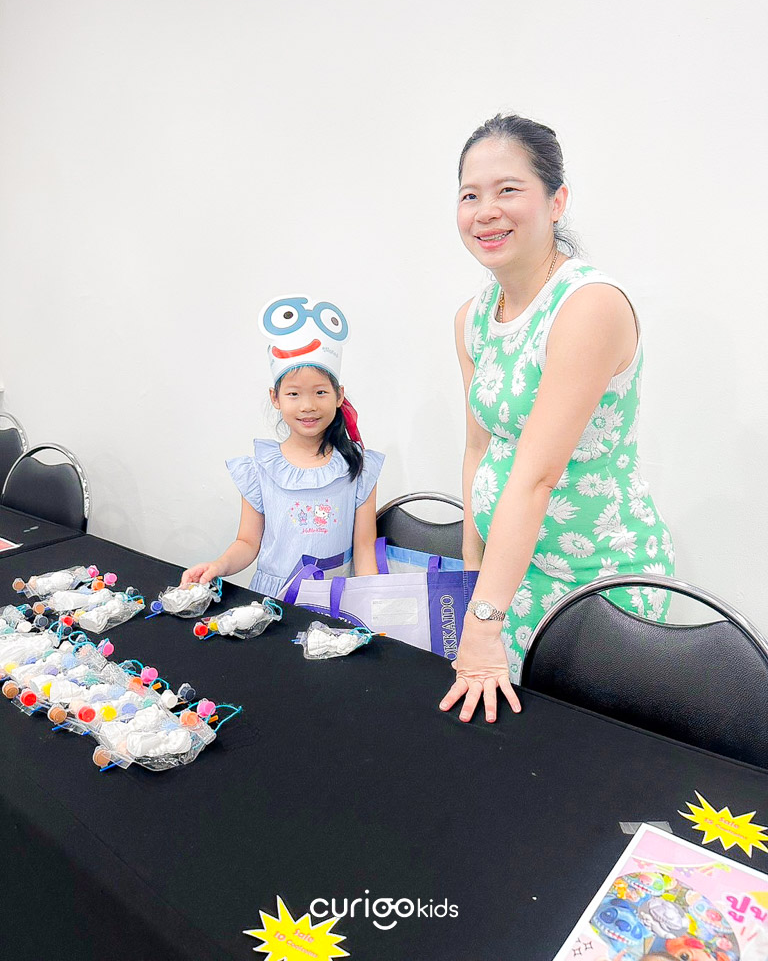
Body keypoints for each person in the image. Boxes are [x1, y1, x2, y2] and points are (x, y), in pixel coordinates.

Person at [439, 114, 674, 723]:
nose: (486, 211)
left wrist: (482, 621)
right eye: (470, 196)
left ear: (556, 200)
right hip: (507, 579)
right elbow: (479, 450)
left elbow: (536, 475)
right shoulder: (472, 317)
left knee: (572, 751)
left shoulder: (588, 306)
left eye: (508, 189)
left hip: (593, 583)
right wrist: (473, 578)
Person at [182, 295, 384, 596]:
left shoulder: (358, 467)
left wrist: (374, 602)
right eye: (293, 394)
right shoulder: (259, 469)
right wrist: (218, 566)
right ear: (275, 398)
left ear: (339, 396)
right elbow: (248, 542)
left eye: (320, 392)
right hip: (275, 599)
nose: (307, 405)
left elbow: (364, 548)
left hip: (336, 598)